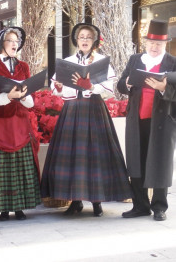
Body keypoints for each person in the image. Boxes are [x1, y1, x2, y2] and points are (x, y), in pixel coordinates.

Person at [41, 23, 132, 216]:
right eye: (81, 37)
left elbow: (108, 90)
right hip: (72, 110)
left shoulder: (101, 61)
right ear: (76, 40)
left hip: (94, 110)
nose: (84, 40)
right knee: (75, 156)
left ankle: (97, 201)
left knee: (95, 155)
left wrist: (90, 86)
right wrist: (57, 85)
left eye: (88, 37)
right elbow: (57, 88)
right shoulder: (68, 61)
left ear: (94, 41)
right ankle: (76, 200)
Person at [117, 19, 176, 221]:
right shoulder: (135, 60)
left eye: (159, 44)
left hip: (162, 121)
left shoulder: (172, 62)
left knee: (160, 161)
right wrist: (126, 83)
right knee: (136, 162)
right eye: (151, 42)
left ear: (165, 44)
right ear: (146, 43)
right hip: (137, 120)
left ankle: (159, 207)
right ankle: (140, 205)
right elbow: (120, 85)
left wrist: (164, 88)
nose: (154, 46)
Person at [0, 26, 41, 221]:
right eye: (10, 41)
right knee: (4, 165)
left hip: (20, 121)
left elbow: (31, 99)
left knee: (20, 164)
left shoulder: (23, 66)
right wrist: (9, 96)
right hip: (2, 123)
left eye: (16, 42)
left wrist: (24, 96)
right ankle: (3, 208)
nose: (14, 44)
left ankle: (20, 208)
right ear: (2, 44)